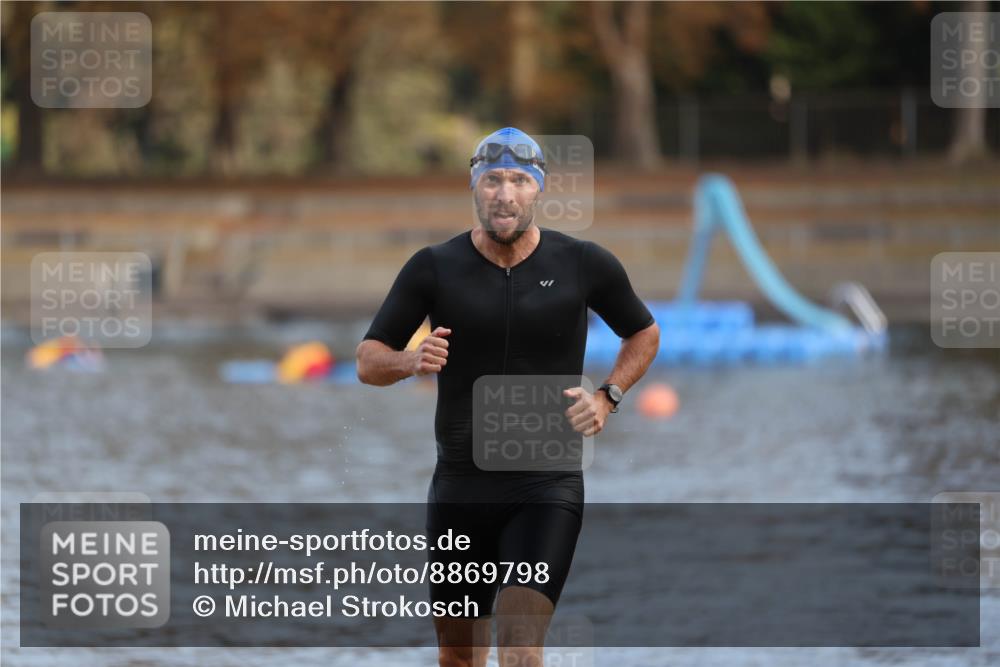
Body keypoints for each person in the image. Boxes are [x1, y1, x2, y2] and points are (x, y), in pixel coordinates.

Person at [356, 127, 660, 667]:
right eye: (493, 180)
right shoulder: (433, 268)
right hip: (459, 487)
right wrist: (411, 360)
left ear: (538, 189)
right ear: (475, 187)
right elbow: (367, 360)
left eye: (519, 180)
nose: (505, 193)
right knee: (458, 657)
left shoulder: (584, 263)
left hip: (547, 484)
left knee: (519, 650)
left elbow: (643, 332)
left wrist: (609, 395)